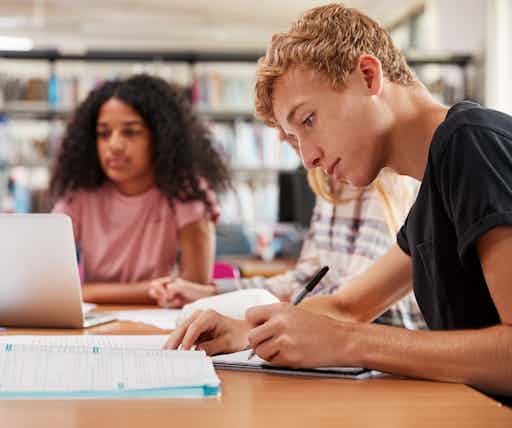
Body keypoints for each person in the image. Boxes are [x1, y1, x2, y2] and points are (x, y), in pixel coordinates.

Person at [165, 4, 512, 401]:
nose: (307, 158)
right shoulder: (437, 184)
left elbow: (348, 327)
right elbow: (348, 306)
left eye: (308, 120)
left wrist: (350, 342)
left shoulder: (472, 144)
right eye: (294, 139)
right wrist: (245, 330)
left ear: (368, 75)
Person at [150, 168, 425, 330]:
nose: (282, 136)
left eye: (304, 119)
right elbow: (303, 280)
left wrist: (249, 325)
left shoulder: (383, 181)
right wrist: (214, 290)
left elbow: (355, 305)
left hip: (391, 358)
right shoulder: (329, 183)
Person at [50, 74, 230, 304]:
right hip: (92, 326)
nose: (114, 145)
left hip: (160, 328)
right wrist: (151, 290)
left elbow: (194, 290)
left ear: (162, 138)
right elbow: (49, 286)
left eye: (131, 132)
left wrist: (85, 292)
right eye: (104, 134)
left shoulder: (186, 191)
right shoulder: (80, 194)